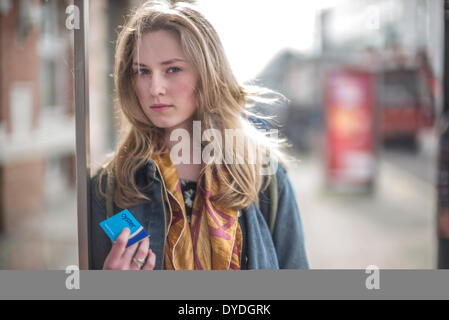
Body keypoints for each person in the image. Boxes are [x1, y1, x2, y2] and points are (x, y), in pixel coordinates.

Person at [90, 0, 309, 270]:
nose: (155, 88)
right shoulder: (110, 185)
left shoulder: (265, 176)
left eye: (172, 69)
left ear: (207, 74)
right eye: (142, 71)